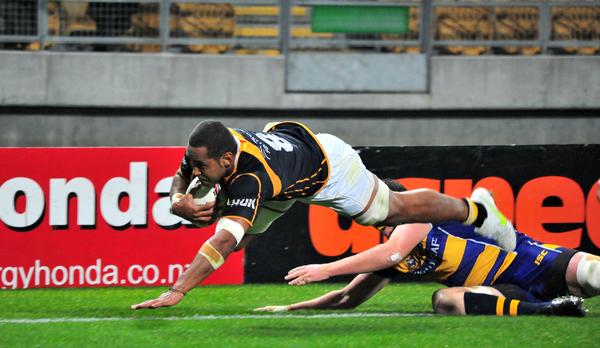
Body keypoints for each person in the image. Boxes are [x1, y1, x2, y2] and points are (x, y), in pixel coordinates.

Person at [131, 121, 515, 310]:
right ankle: (476, 209)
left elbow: (221, 239)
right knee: (242, 236)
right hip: (290, 168)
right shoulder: (213, 144)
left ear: (227, 160)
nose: (194, 171)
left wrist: (178, 290)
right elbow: (184, 171)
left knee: (393, 210)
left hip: (330, 170)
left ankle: (477, 210)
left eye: (203, 167)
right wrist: (176, 198)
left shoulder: (250, 178)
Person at [256, 180, 597, 317]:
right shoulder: (397, 249)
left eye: (383, 213)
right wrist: (293, 307)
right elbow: (348, 298)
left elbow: (389, 254)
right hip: (502, 290)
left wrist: (325, 268)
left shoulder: (420, 217)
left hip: (533, 261)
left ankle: (555, 300)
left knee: (592, 274)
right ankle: (549, 309)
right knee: (444, 301)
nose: (379, 222)